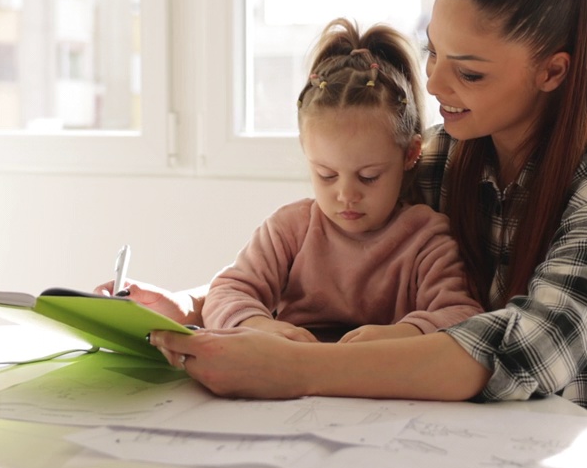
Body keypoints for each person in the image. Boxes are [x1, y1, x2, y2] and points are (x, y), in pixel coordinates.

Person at [129, 0, 587, 444]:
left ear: (552, 71)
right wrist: (192, 306)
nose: (433, 82)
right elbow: (321, 252)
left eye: (469, 71)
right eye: (433, 51)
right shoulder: (441, 157)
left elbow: (529, 352)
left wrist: (298, 367)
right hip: (456, 450)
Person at [202, 18, 482, 344]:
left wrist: (401, 335)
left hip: (383, 383)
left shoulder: (425, 238)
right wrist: (262, 325)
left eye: (369, 176)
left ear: (410, 155)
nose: (346, 194)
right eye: (326, 175)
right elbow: (227, 291)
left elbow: (463, 315)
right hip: (289, 381)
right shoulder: (289, 230)